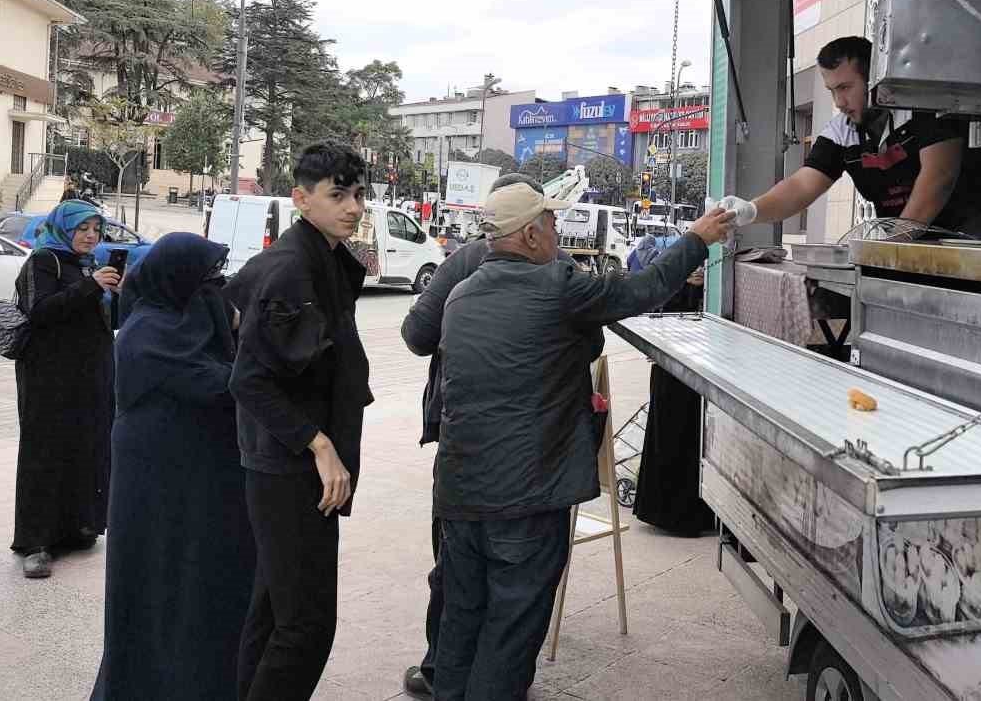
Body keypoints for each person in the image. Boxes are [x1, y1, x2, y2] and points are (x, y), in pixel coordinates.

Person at [430, 183, 736, 701]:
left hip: (459, 495)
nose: (557, 232)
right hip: (523, 498)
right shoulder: (556, 286)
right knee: (509, 633)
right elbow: (642, 290)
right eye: (551, 224)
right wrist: (697, 238)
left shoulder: (460, 295)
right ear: (530, 234)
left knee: (461, 621)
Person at [397, 172, 572, 700]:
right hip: (530, 453)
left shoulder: (463, 262)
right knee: (512, 589)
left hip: (460, 441)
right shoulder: (555, 269)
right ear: (531, 228)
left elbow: (413, 335)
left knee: (455, 572)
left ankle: (439, 673)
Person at [227, 141, 374, 700]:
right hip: (287, 468)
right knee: (307, 625)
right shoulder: (291, 268)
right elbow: (248, 380)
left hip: (289, 464)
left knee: (273, 612)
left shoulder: (325, 260)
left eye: (358, 195)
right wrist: (319, 445)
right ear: (301, 199)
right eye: (338, 195)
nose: (353, 207)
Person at [92, 233, 254, 700]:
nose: (216, 287)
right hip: (155, 483)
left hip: (202, 480)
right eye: (207, 278)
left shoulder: (193, 321)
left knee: (201, 581)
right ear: (175, 279)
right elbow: (222, 384)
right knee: (158, 584)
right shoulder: (148, 333)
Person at [717, 35, 981, 241]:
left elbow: (938, 178)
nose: (838, 101)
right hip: (923, 250)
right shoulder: (842, 132)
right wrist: (751, 210)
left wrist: (888, 250)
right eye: (832, 90)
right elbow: (800, 186)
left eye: (846, 87)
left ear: (874, 78)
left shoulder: (927, 110)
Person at [11, 200, 122, 579]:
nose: (91, 236)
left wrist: (118, 293)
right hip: (49, 377)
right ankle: (36, 542)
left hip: (90, 375)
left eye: (96, 229)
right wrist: (91, 287)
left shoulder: (90, 265)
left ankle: (77, 527)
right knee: (45, 451)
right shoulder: (44, 261)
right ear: (64, 228)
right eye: (82, 228)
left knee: (85, 447)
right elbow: (40, 311)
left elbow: (103, 320)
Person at [629, 263, 712, 536]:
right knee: (674, 438)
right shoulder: (673, 284)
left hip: (688, 372)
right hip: (673, 371)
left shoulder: (708, 284)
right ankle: (671, 514)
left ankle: (681, 513)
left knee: (686, 440)